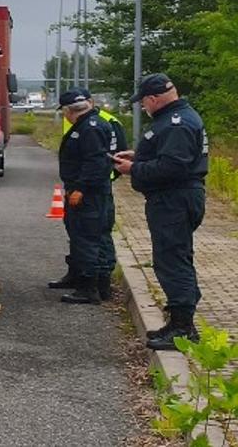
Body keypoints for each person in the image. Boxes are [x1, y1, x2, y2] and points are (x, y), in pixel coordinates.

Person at [113, 73, 210, 350]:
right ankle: (179, 320)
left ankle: (183, 328)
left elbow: (173, 167)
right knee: (173, 257)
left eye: (143, 102)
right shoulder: (176, 118)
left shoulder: (177, 123)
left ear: (154, 98)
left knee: (172, 260)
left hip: (174, 199)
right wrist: (139, 156)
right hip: (174, 198)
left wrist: (135, 169)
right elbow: (169, 157)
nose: (143, 107)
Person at [49, 89, 118, 304]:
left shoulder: (91, 128)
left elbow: (95, 162)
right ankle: (91, 281)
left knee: (87, 237)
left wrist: (80, 188)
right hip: (92, 191)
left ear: (69, 111)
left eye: (64, 112)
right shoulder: (90, 125)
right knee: (87, 235)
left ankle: (89, 288)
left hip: (89, 194)